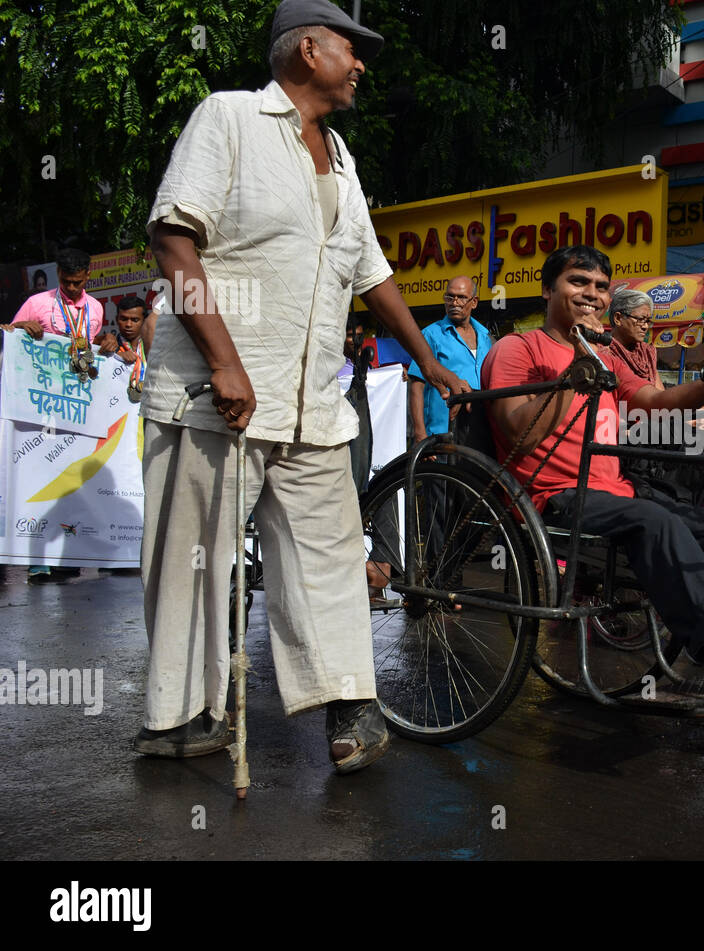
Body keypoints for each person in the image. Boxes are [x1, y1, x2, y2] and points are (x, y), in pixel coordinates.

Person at [134, 0, 469, 773]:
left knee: (329, 557)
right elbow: (173, 240)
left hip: (313, 401)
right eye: (352, 51)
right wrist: (222, 359)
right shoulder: (228, 118)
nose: (361, 66)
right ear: (306, 49)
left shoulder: (344, 158)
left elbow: (374, 275)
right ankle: (182, 714)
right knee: (193, 560)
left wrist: (427, 357)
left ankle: (352, 708)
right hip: (214, 396)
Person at [481, 245, 704, 683]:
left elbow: (657, 402)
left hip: (614, 491)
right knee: (656, 522)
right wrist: (580, 361)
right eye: (577, 282)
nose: (591, 294)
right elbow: (519, 434)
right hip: (550, 495)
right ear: (546, 290)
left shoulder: (609, 357)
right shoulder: (517, 349)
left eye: (600, 287)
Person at [4, 247, 118, 584]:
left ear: (87, 276)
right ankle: (38, 559)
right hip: (40, 404)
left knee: (71, 477)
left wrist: (106, 340)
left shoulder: (95, 308)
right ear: (57, 274)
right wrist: (23, 326)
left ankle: (69, 554)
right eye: (66, 282)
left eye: (77, 282)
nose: (71, 288)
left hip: (78, 405)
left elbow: (90, 345)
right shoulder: (39, 303)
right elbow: (9, 335)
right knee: (40, 474)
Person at [408, 274, 492, 440]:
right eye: (449, 297)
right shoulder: (430, 335)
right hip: (441, 431)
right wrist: (419, 432)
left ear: (474, 302)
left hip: (477, 431)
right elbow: (417, 386)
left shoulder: (485, 337)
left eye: (461, 298)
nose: (454, 303)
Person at [604, 287, 662, 390]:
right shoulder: (604, 353)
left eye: (647, 321)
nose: (645, 326)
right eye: (640, 319)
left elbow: (660, 395)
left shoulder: (647, 354)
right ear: (618, 318)